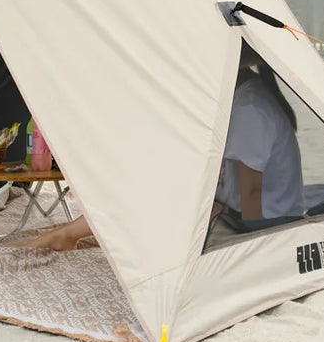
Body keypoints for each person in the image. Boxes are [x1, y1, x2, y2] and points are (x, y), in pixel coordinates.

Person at [17, 40, 304, 251]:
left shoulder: (250, 109)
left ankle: (70, 235)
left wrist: (248, 249)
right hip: (236, 210)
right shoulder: (238, 98)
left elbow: (251, 191)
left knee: (147, 191)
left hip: (260, 222)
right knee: (148, 180)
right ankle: (82, 232)